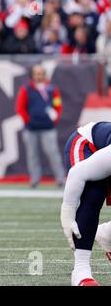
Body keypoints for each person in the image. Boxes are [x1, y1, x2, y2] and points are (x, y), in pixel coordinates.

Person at [61, 121, 111, 285]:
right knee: (94, 192)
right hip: (86, 144)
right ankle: (81, 271)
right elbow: (78, 173)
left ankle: (106, 233)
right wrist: (67, 213)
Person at [15, 64, 65, 188]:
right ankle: (35, 179)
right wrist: (28, 120)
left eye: (41, 73)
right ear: (32, 75)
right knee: (32, 155)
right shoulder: (26, 89)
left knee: (53, 153)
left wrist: (55, 118)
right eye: (37, 73)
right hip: (31, 128)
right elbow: (20, 107)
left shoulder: (52, 89)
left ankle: (60, 178)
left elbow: (58, 105)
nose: (39, 76)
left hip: (48, 127)